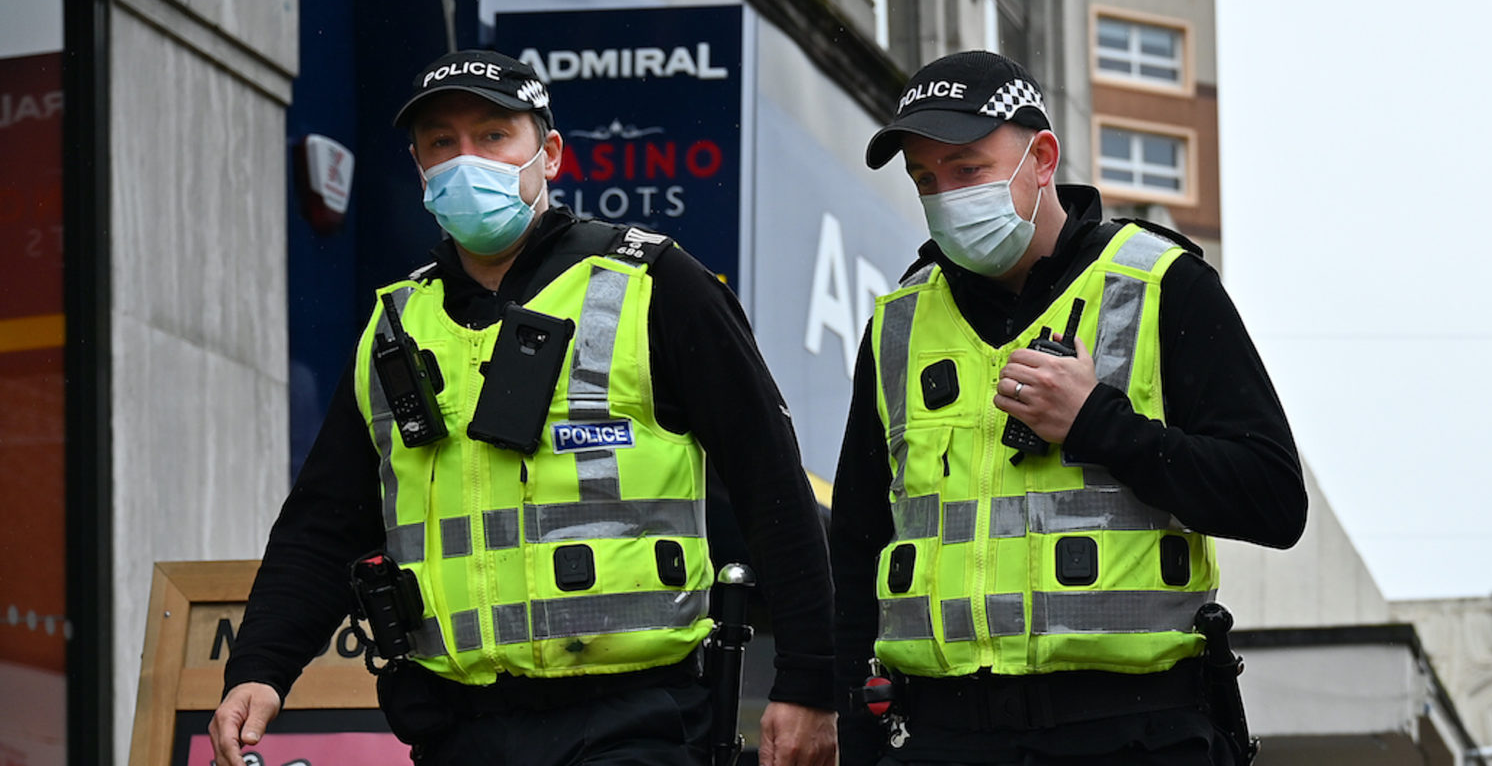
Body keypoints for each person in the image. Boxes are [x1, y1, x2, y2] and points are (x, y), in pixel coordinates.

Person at [210, 50, 838, 766]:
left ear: (550, 153)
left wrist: (811, 683)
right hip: (459, 730)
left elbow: (772, 489)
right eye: (441, 143)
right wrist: (259, 667)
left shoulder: (656, 284)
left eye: (492, 136)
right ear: (418, 168)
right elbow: (323, 525)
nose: (464, 160)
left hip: (635, 720)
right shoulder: (395, 326)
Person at [829, 50, 1307, 766]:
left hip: (1131, 732)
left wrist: (1098, 425)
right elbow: (858, 547)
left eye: (967, 169)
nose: (945, 197)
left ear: (1042, 156)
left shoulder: (1162, 285)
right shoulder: (898, 323)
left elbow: (1273, 500)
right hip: (940, 738)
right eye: (925, 180)